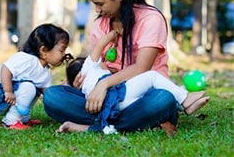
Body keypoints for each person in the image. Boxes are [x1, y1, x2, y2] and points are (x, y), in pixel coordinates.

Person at [43, 0, 206, 134]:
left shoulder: (150, 19)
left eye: (101, 4)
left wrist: (104, 84)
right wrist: (75, 81)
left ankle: (95, 126)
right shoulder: (100, 25)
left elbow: (142, 68)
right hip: (107, 99)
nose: (97, 10)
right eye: (94, 4)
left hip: (142, 97)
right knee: (53, 96)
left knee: (162, 99)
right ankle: (129, 123)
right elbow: (98, 65)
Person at [61, 30, 209, 133]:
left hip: (116, 107)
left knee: (150, 94)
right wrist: (113, 34)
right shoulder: (88, 67)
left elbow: (67, 86)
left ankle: (177, 102)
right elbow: (99, 45)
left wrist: (69, 83)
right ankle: (184, 100)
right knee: (151, 77)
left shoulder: (83, 88)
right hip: (118, 95)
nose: (104, 61)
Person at [0, 23, 70, 130]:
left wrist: (64, 88)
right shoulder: (27, 59)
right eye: (62, 50)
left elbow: (48, 93)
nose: (64, 55)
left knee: (35, 89)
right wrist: (8, 91)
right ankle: (10, 121)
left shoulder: (45, 72)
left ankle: (23, 119)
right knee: (28, 87)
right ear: (44, 51)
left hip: (11, 93)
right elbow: (6, 69)